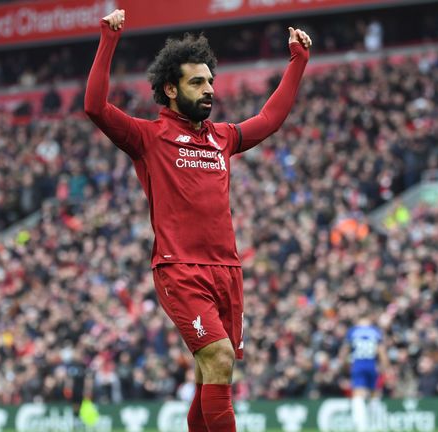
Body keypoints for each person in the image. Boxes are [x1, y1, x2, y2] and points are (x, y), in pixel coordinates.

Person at [85, 9, 311, 431]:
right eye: (197, 82)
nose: (209, 90)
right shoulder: (147, 138)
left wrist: (298, 61)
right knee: (219, 358)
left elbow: (269, 120)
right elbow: (94, 106)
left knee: (209, 373)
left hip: (227, 269)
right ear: (170, 89)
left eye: (210, 81)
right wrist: (108, 39)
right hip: (181, 269)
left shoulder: (222, 137)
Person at [343, 314, 389, 432]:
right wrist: (385, 367)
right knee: (374, 394)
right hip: (372, 365)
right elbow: (382, 352)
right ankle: (377, 424)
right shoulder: (375, 331)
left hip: (358, 365)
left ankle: (361, 427)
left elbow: (344, 351)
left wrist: (346, 366)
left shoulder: (353, 331)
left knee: (358, 395)